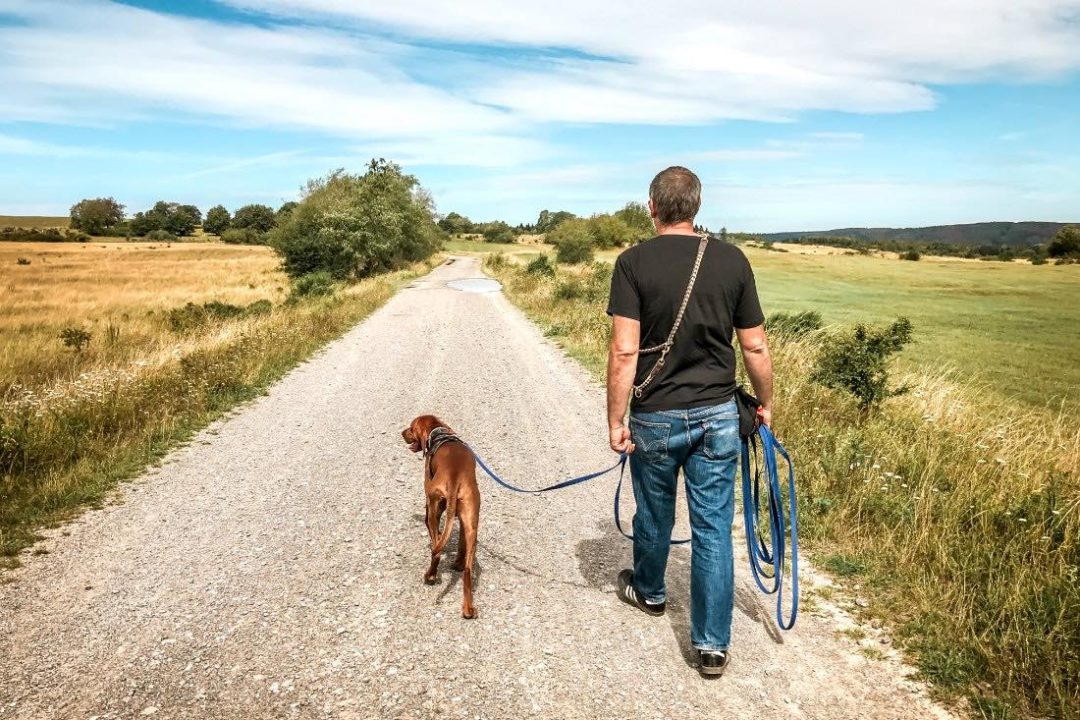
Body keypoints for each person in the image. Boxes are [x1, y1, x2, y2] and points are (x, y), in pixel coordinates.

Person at [605, 166, 773, 677]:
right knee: (713, 527)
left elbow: (624, 349)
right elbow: (756, 345)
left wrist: (616, 419)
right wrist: (765, 403)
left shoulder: (631, 263)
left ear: (651, 207)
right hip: (719, 415)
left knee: (655, 515)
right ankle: (712, 645)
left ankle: (651, 592)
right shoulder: (731, 259)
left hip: (654, 415)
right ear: (696, 207)